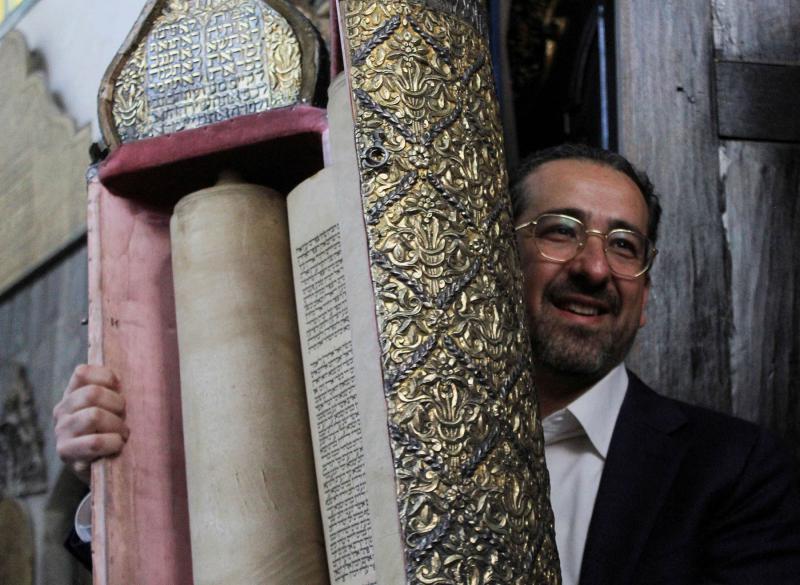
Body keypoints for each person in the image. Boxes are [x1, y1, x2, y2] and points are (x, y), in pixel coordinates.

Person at [54, 144, 800, 583]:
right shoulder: (373, 425)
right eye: (560, 230)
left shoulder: (737, 471)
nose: (594, 267)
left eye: (624, 245)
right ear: (492, 254)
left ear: (646, 294)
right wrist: (116, 488)